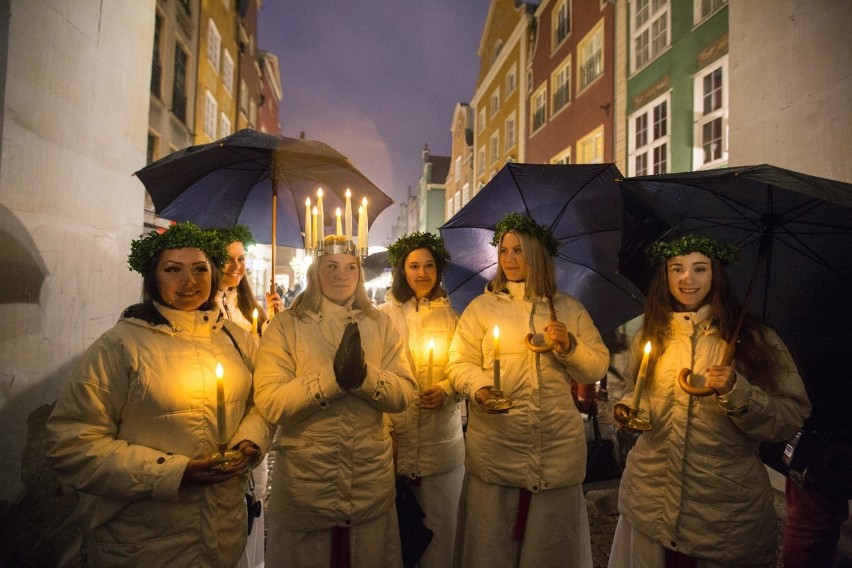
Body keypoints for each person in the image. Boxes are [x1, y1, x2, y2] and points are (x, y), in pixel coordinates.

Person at [45, 222, 272, 567]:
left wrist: (249, 443)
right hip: (143, 542)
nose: (190, 282)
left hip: (223, 535)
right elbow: (71, 445)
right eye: (173, 270)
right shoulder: (120, 346)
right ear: (153, 278)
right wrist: (175, 472)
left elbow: (261, 403)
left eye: (200, 269)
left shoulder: (237, 339)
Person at [608, 234, 811, 567]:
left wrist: (738, 392)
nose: (688, 279)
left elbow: (791, 416)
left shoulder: (754, 339)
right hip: (650, 504)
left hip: (721, 516)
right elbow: (632, 389)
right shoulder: (651, 334)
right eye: (678, 269)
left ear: (716, 274)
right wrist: (628, 407)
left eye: (700, 268)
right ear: (666, 276)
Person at [446, 213, 609, 568]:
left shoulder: (567, 308)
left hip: (556, 450)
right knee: (492, 549)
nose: (508, 258)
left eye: (518, 250)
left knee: (548, 551)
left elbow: (596, 366)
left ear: (537, 254)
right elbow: (458, 363)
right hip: (496, 449)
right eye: (503, 250)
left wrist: (570, 348)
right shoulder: (481, 309)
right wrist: (481, 388)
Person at [253, 234, 418, 568]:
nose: (341, 275)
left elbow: (404, 392)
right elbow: (271, 402)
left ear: (359, 273)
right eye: (331, 266)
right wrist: (330, 382)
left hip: (369, 480)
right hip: (308, 482)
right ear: (316, 272)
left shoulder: (380, 324)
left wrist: (365, 379)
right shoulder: (286, 326)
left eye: (350, 267)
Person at [377, 232, 464, 568]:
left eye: (429, 265)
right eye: (414, 266)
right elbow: (375, 373)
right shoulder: (383, 315)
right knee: (397, 531)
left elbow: (463, 364)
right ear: (403, 270)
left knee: (440, 526)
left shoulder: (453, 316)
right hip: (396, 437)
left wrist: (445, 387)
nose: (423, 273)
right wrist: (386, 426)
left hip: (439, 439)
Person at [210, 225, 280, 568]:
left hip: (254, 415)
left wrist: (275, 324)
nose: (236, 266)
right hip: (221, 414)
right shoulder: (203, 309)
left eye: (241, 258)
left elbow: (269, 358)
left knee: (255, 498)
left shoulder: (249, 305)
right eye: (228, 259)